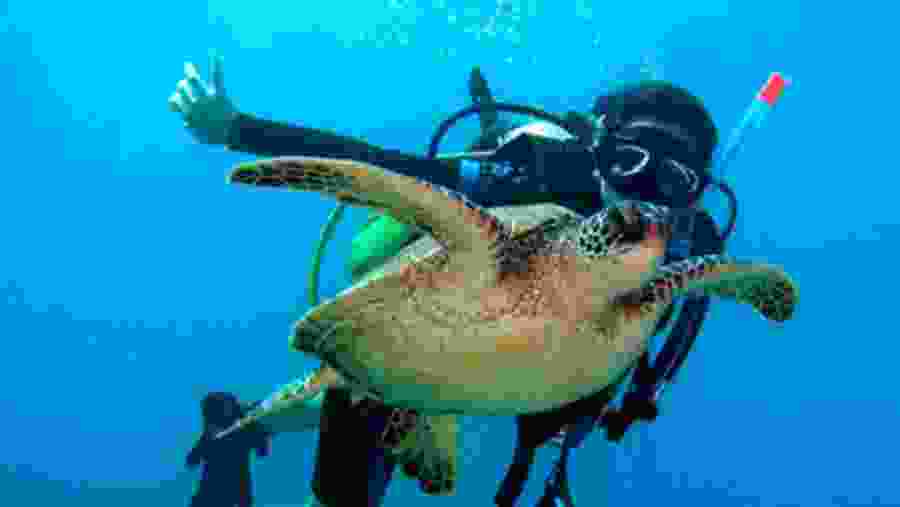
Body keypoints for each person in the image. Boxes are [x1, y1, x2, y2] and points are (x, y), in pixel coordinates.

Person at [169, 54, 728, 507]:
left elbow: (654, 360)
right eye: (629, 162)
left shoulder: (690, 248)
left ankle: (262, 422)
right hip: (434, 323)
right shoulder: (534, 175)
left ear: (696, 193)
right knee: (362, 422)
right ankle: (243, 426)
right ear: (600, 155)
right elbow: (385, 167)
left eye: (673, 180)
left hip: (548, 366)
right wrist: (237, 130)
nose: (644, 198)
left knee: (524, 443)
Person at [186, 392, 272, 507]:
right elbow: (262, 452)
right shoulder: (247, 428)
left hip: (211, 493)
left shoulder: (211, 435)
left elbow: (191, 461)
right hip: (236, 493)